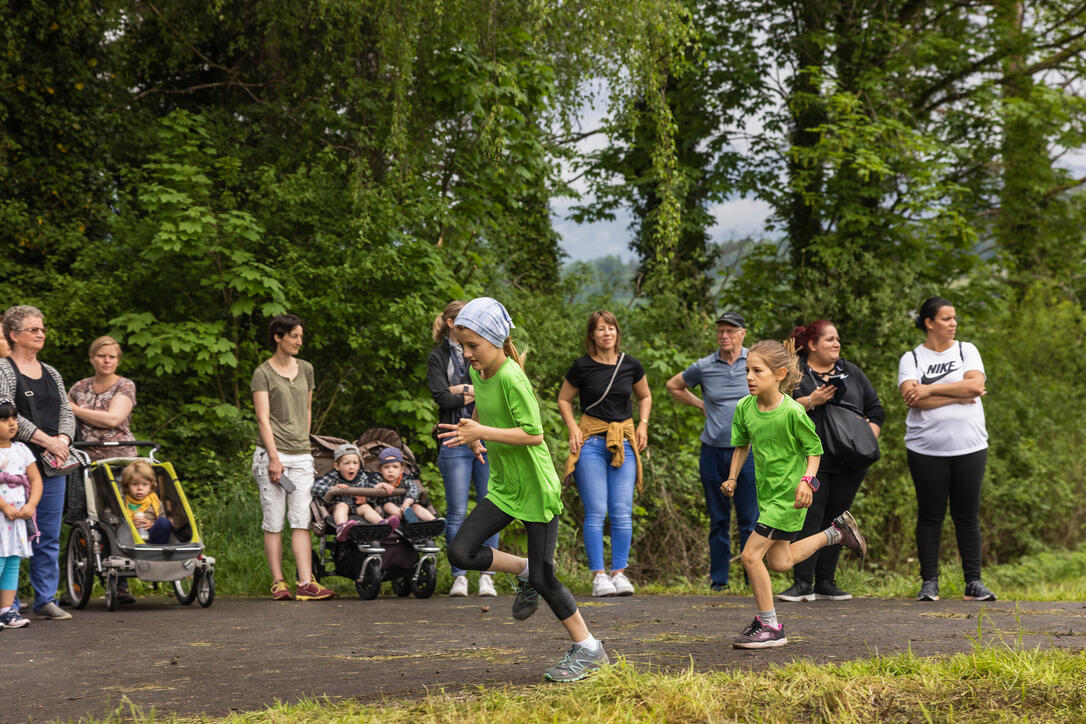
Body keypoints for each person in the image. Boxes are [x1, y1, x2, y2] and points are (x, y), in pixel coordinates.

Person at [438, 297, 610, 682]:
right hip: (505, 486)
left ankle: (589, 649)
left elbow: (534, 434)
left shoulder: (512, 376)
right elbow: (485, 406)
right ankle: (521, 569)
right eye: (462, 347)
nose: (467, 355)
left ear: (495, 339)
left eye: (473, 346)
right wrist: (474, 432)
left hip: (535, 487)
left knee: (546, 579)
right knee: (462, 550)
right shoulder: (483, 375)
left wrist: (482, 431)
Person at [722, 339, 867, 649]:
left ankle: (770, 625)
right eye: (747, 370)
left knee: (750, 556)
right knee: (781, 562)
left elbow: (814, 451)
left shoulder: (792, 411)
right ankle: (836, 533)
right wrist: (732, 477)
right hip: (768, 495)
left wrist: (806, 482)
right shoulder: (744, 407)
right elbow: (742, 444)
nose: (749, 376)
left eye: (757, 371)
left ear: (779, 374)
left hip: (789, 496)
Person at [778, 320, 884, 602]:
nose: (836, 344)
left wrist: (866, 440)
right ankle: (802, 583)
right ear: (812, 345)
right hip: (813, 458)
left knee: (837, 519)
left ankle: (826, 582)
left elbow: (875, 409)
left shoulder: (851, 372)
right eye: (830, 339)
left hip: (850, 460)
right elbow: (777, 407)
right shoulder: (796, 372)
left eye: (838, 339)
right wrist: (811, 400)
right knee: (810, 516)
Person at [899, 297, 994, 602]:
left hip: (970, 447)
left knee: (967, 516)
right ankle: (929, 583)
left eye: (954, 318)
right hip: (926, 449)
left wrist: (930, 388)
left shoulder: (967, 350)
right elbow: (912, 399)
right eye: (946, 319)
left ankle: (974, 583)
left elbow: (975, 387)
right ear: (929, 323)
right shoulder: (911, 359)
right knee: (930, 516)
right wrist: (957, 395)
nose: (953, 324)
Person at [558, 310, 650, 597]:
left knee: (622, 512)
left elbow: (644, 395)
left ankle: (619, 573)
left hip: (623, 441)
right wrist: (573, 427)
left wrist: (643, 424)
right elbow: (564, 398)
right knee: (596, 511)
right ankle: (599, 576)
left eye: (611, 328)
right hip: (591, 445)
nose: (606, 333)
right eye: (600, 329)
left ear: (617, 333)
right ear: (592, 336)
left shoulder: (630, 365)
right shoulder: (582, 366)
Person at [665, 311, 757, 590]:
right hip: (714, 451)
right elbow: (673, 385)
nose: (724, 336)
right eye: (721, 331)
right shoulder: (705, 366)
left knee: (749, 520)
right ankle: (719, 581)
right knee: (718, 520)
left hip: (749, 452)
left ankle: (751, 579)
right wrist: (700, 404)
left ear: (742, 333)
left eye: (731, 331)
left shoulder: (754, 361)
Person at [0, 305, 76, 620]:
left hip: (51, 465)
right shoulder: (3, 370)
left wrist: (64, 442)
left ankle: (46, 598)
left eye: (42, 328)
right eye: (33, 329)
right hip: (13, 465)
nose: (41, 333)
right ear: (14, 335)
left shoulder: (52, 372)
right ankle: (10, 605)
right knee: (9, 539)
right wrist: (47, 440)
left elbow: (67, 411)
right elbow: (5, 413)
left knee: (48, 533)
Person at [251, 313, 334, 601]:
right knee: (274, 521)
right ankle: (279, 582)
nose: (300, 341)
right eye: (294, 336)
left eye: (301, 336)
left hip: (302, 455)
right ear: (278, 337)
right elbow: (263, 419)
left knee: (301, 520)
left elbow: (307, 410)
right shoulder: (263, 373)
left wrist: (305, 443)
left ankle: (306, 582)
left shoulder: (307, 369)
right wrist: (274, 458)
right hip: (272, 455)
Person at [428, 301, 497, 598]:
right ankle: (459, 576)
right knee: (456, 511)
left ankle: (487, 575)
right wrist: (469, 391)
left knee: (490, 505)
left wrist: (461, 390)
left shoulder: (483, 349)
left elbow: (489, 390)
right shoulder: (437, 356)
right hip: (453, 438)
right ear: (450, 322)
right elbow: (442, 397)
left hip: (484, 436)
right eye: (462, 319)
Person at [0, 398, 42, 629]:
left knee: (12, 561)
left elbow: (35, 480)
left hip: (18, 516)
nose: (12, 423)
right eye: (4, 419)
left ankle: (6, 610)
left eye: (14, 418)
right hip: (2, 515)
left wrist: (31, 505)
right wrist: (4, 506)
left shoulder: (22, 450)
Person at [68, 336, 137, 461]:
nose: (107, 360)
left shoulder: (125, 385)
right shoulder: (79, 387)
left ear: (118, 360)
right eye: (101, 356)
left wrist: (76, 410)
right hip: (83, 458)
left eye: (112, 357)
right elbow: (64, 416)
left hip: (120, 458)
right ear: (91, 358)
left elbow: (112, 420)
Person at [312, 443, 398, 542]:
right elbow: (315, 488)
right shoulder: (333, 477)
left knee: (366, 507)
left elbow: (370, 491)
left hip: (356, 508)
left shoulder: (362, 477)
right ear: (337, 466)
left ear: (359, 465)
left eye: (355, 463)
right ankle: (342, 527)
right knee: (342, 505)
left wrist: (378, 487)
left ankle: (382, 525)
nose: (351, 467)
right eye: (347, 463)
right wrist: (333, 488)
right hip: (336, 508)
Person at [366, 447, 436, 523]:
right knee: (388, 505)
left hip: (406, 506)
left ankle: (433, 521)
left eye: (395, 467)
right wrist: (380, 485)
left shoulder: (404, 479)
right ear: (380, 470)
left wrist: (408, 501)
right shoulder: (377, 479)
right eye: (386, 467)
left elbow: (413, 488)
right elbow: (369, 494)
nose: (390, 470)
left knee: (416, 506)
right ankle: (406, 517)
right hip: (390, 513)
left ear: (401, 470)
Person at [120, 460, 172, 544]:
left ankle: (158, 549)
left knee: (163, 522)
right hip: (131, 537)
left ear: (151, 486)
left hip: (152, 535)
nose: (140, 488)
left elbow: (161, 520)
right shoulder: (123, 502)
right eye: (134, 484)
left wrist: (151, 524)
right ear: (127, 486)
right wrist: (130, 525)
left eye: (144, 484)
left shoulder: (154, 500)